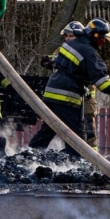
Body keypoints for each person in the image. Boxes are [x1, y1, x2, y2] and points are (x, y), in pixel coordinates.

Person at [29, 18, 110, 157]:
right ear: (95, 35)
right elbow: (103, 82)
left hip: (51, 92)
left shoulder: (72, 43)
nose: (103, 42)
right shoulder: (90, 53)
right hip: (67, 95)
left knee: (49, 128)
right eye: (102, 39)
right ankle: (76, 166)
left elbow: (60, 63)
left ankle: (28, 155)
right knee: (77, 136)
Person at [40, 21, 99, 151]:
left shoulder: (85, 48)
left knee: (88, 130)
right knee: (59, 128)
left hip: (86, 98)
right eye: (66, 36)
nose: (67, 38)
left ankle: (93, 159)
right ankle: (75, 155)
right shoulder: (64, 48)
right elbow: (58, 59)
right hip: (68, 96)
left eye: (70, 36)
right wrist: (49, 61)